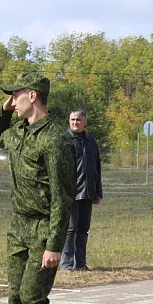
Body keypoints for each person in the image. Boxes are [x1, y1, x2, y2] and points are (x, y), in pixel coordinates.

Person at [0, 72, 80, 304]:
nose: (12, 102)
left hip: (43, 229)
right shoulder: (18, 133)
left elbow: (62, 196)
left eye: (16, 96)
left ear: (33, 95)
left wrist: (55, 245)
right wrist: (5, 110)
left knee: (32, 297)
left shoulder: (56, 138)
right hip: (18, 227)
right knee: (15, 302)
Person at [60, 109, 103, 271]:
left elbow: (96, 167)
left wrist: (98, 191)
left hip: (88, 192)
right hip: (71, 193)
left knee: (83, 228)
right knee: (70, 228)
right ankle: (67, 264)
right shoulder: (64, 140)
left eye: (78, 120)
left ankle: (81, 263)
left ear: (85, 122)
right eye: (72, 119)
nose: (75, 123)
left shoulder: (90, 141)